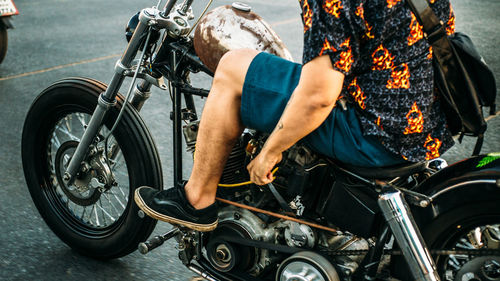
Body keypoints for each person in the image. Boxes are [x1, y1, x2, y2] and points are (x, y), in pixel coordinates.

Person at [134, 0, 456, 231]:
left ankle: (197, 198)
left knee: (234, 68)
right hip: (428, 125)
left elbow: (319, 96)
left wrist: (270, 152)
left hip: (375, 132)